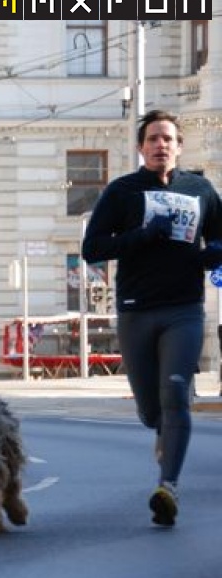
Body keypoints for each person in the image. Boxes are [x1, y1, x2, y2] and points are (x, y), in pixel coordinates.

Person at [82, 109, 222, 528]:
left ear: (179, 146)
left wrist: (211, 254)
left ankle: (168, 487)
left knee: (177, 395)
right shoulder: (123, 191)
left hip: (184, 309)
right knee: (150, 410)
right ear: (141, 148)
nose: (161, 145)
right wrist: (143, 235)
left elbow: (220, 235)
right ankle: (161, 428)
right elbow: (93, 248)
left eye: (168, 139)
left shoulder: (200, 189)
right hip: (136, 309)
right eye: (153, 139)